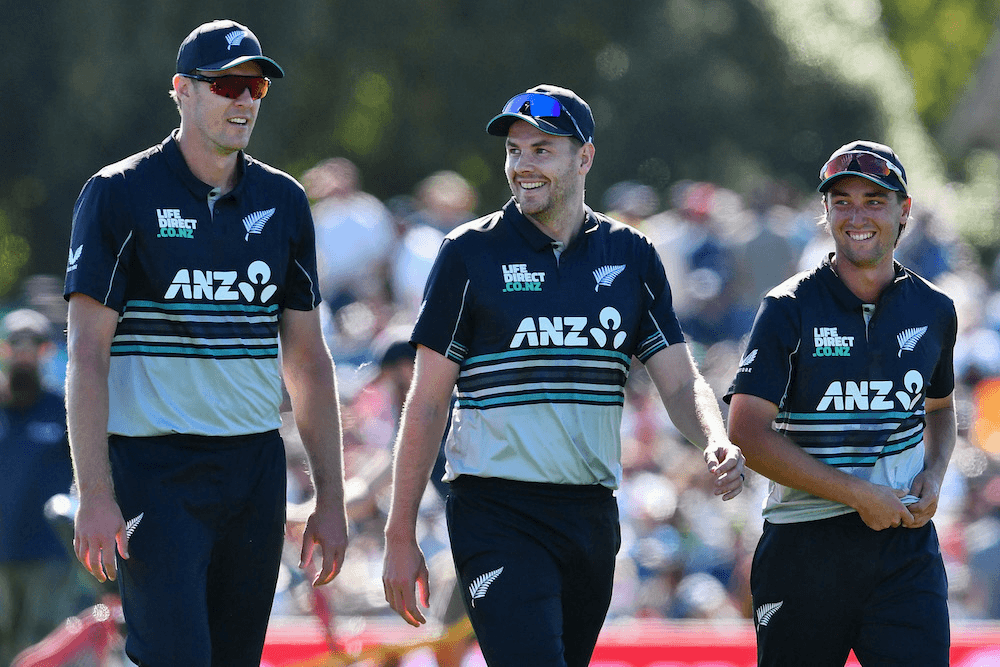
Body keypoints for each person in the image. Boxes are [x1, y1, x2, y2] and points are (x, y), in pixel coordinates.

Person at [381, 84, 745, 667]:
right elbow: (426, 402)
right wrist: (400, 535)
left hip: (590, 512)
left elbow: (680, 381)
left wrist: (715, 437)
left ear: (585, 158)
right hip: (494, 510)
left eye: (542, 149)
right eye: (514, 150)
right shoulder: (468, 253)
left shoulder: (632, 255)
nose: (522, 165)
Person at [63, 20, 348, 667]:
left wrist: (330, 499)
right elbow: (86, 354)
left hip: (253, 468)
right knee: (176, 655)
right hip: (154, 470)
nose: (244, 100)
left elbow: (308, 360)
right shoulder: (118, 194)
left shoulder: (284, 200)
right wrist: (95, 493)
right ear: (182, 90)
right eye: (226, 85)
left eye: (255, 87)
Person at [725, 140, 957, 666]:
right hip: (802, 545)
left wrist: (936, 473)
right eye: (842, 201)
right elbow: (747, 433)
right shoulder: (787, 307)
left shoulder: (935, 308)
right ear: (825, 211)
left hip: (904, 547)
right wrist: (858, 494)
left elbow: (940, 408)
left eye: (874, 200)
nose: (857, 216)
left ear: (904, 210)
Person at [0, 309, 82, 665]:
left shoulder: (62, 409)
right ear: (4, 349)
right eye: (15, 344)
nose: (22, 353)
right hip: (2, 550)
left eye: (31, 345)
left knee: (44, 645)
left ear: (46, 350)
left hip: (48, 552)